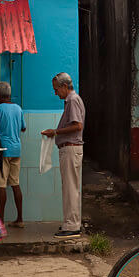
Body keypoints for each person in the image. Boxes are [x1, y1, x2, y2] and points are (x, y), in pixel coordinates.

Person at [41, 72, 85, 238]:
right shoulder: (72, 100)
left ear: (65, 87)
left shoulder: (72, 100)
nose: (55, 93)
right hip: (70, 148)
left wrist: (56, 131)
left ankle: (72, 226)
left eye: (56, 89)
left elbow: (77, 125)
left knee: (70, 189)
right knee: (70, 188)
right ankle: (71, 223)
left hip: (71, 148)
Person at [0, 81, 26, 228]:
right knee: (15, 184)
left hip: (3, 151)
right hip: (16, 150)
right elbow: (23, 128)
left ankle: (1, 221)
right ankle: (20, 219)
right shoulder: (18, 108)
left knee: (1, 185)